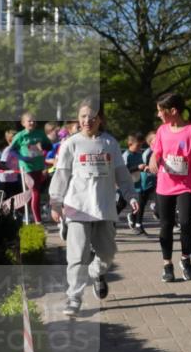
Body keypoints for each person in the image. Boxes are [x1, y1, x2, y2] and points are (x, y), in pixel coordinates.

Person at [49, 99, 138, 317]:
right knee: (77, 256)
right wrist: (55, 202)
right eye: (83, 116)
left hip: (104, 208)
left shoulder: (110, 143)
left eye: (92, 117)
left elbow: (122, 174)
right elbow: (61, 175)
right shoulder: (71, 143)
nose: (87, 120)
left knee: (107, 253)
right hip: (77, 208)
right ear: (78, 119)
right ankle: (74, 298)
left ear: (100, 119)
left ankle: (96, 272)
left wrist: (131, 195)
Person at [149, 92, 191, 283]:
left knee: (185, 223)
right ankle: (167, 265)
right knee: (166, 225)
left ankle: (185, 259)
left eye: (161, 111)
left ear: (173, 111)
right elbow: (157, 152)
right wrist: (153, 159)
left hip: (185, 186)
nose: (159, 114)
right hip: (164, 185)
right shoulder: (162, 130)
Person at [4, 112, 53, 223]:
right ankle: (37, 221)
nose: (32, 122)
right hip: (27, 168)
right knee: (35, 191)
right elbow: (12, 150)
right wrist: (22, 158)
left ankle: (23, 214)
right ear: (23, 123)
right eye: (29, 121)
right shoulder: (20, 136)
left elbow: (49, 146)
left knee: (33, 193)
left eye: (34, 120)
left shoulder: (40, 133)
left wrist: (42, 146)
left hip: (39, 166)